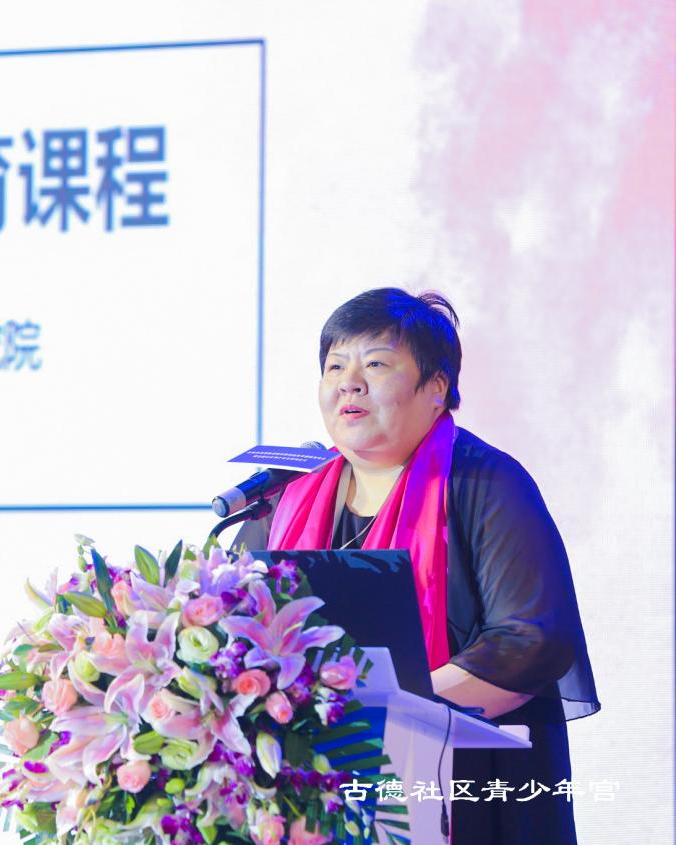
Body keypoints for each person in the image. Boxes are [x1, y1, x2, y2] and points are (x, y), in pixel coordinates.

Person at [232, 288, 599, 844]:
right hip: (312, 788)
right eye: (335, 366)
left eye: (376, 365)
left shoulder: (485, 483)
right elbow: (234, 622)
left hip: (465, 790)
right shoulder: (285, 497)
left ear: (436, 388)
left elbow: (530, 640)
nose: (349, 383)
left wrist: (384, 709)